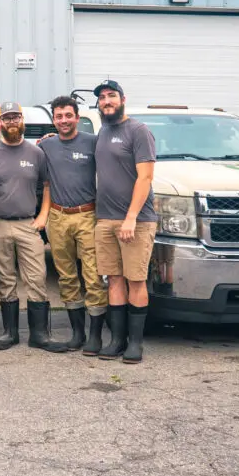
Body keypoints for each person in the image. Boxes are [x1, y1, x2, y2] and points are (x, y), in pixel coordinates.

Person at [0, 102, 66, 354]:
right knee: (5, 279)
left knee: (37, 277)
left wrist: (43, 216)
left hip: (28, 224)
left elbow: (48, 186)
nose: (12, 122)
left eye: (16, 117)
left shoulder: (36, 153)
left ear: (22, 121)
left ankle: (40, 334)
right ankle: (10, 332)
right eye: (6, 118)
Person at [92, 80, 157, 364]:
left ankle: (135, 344)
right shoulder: (103, 130)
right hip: (105, 220)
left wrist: (130, 217)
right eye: (103, 97)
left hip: (136, 222)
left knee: (136, 279)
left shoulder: (139, 131)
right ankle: (117, 340)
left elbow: (146, 177)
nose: (107, 101)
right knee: (114, 279)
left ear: (123, 99)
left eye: (111, 96)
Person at [38, 96, 108, 354]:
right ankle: (77, 333)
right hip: (58, 217)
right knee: (66, 277)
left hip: (87, 215)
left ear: (77, 117)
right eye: (59, 116)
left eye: (68, 115)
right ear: (54, 119)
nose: (64, 120)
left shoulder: (93, 142)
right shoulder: (47, 146)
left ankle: (95, 335)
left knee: (92, 275)